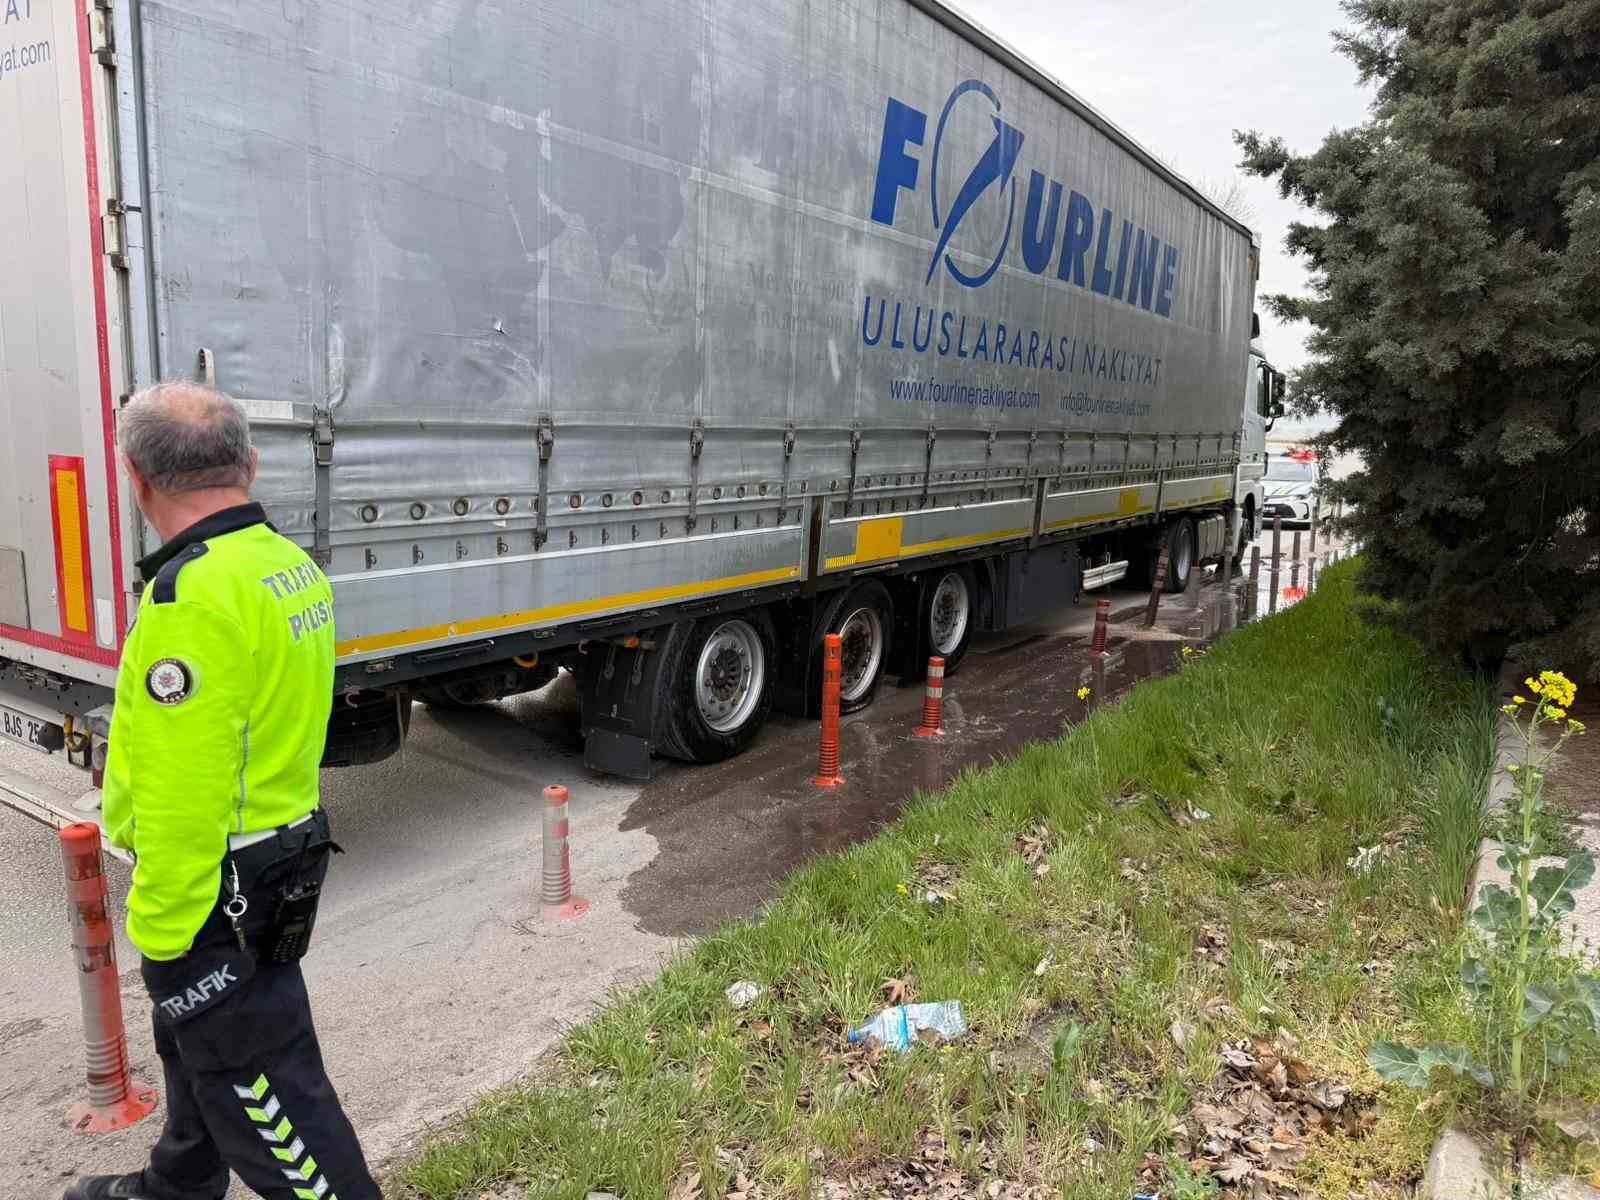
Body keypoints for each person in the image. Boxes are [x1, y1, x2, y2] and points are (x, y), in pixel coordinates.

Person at [65, 382, 379, 1200]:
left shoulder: (191, 598)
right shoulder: (284, 564)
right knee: (203, 1057)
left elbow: (182, 795)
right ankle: (175, 1190)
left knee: (272, 1102)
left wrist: (167, 939)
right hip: (277, 856)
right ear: (249, 461)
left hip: (217, 893)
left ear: (135, 477)